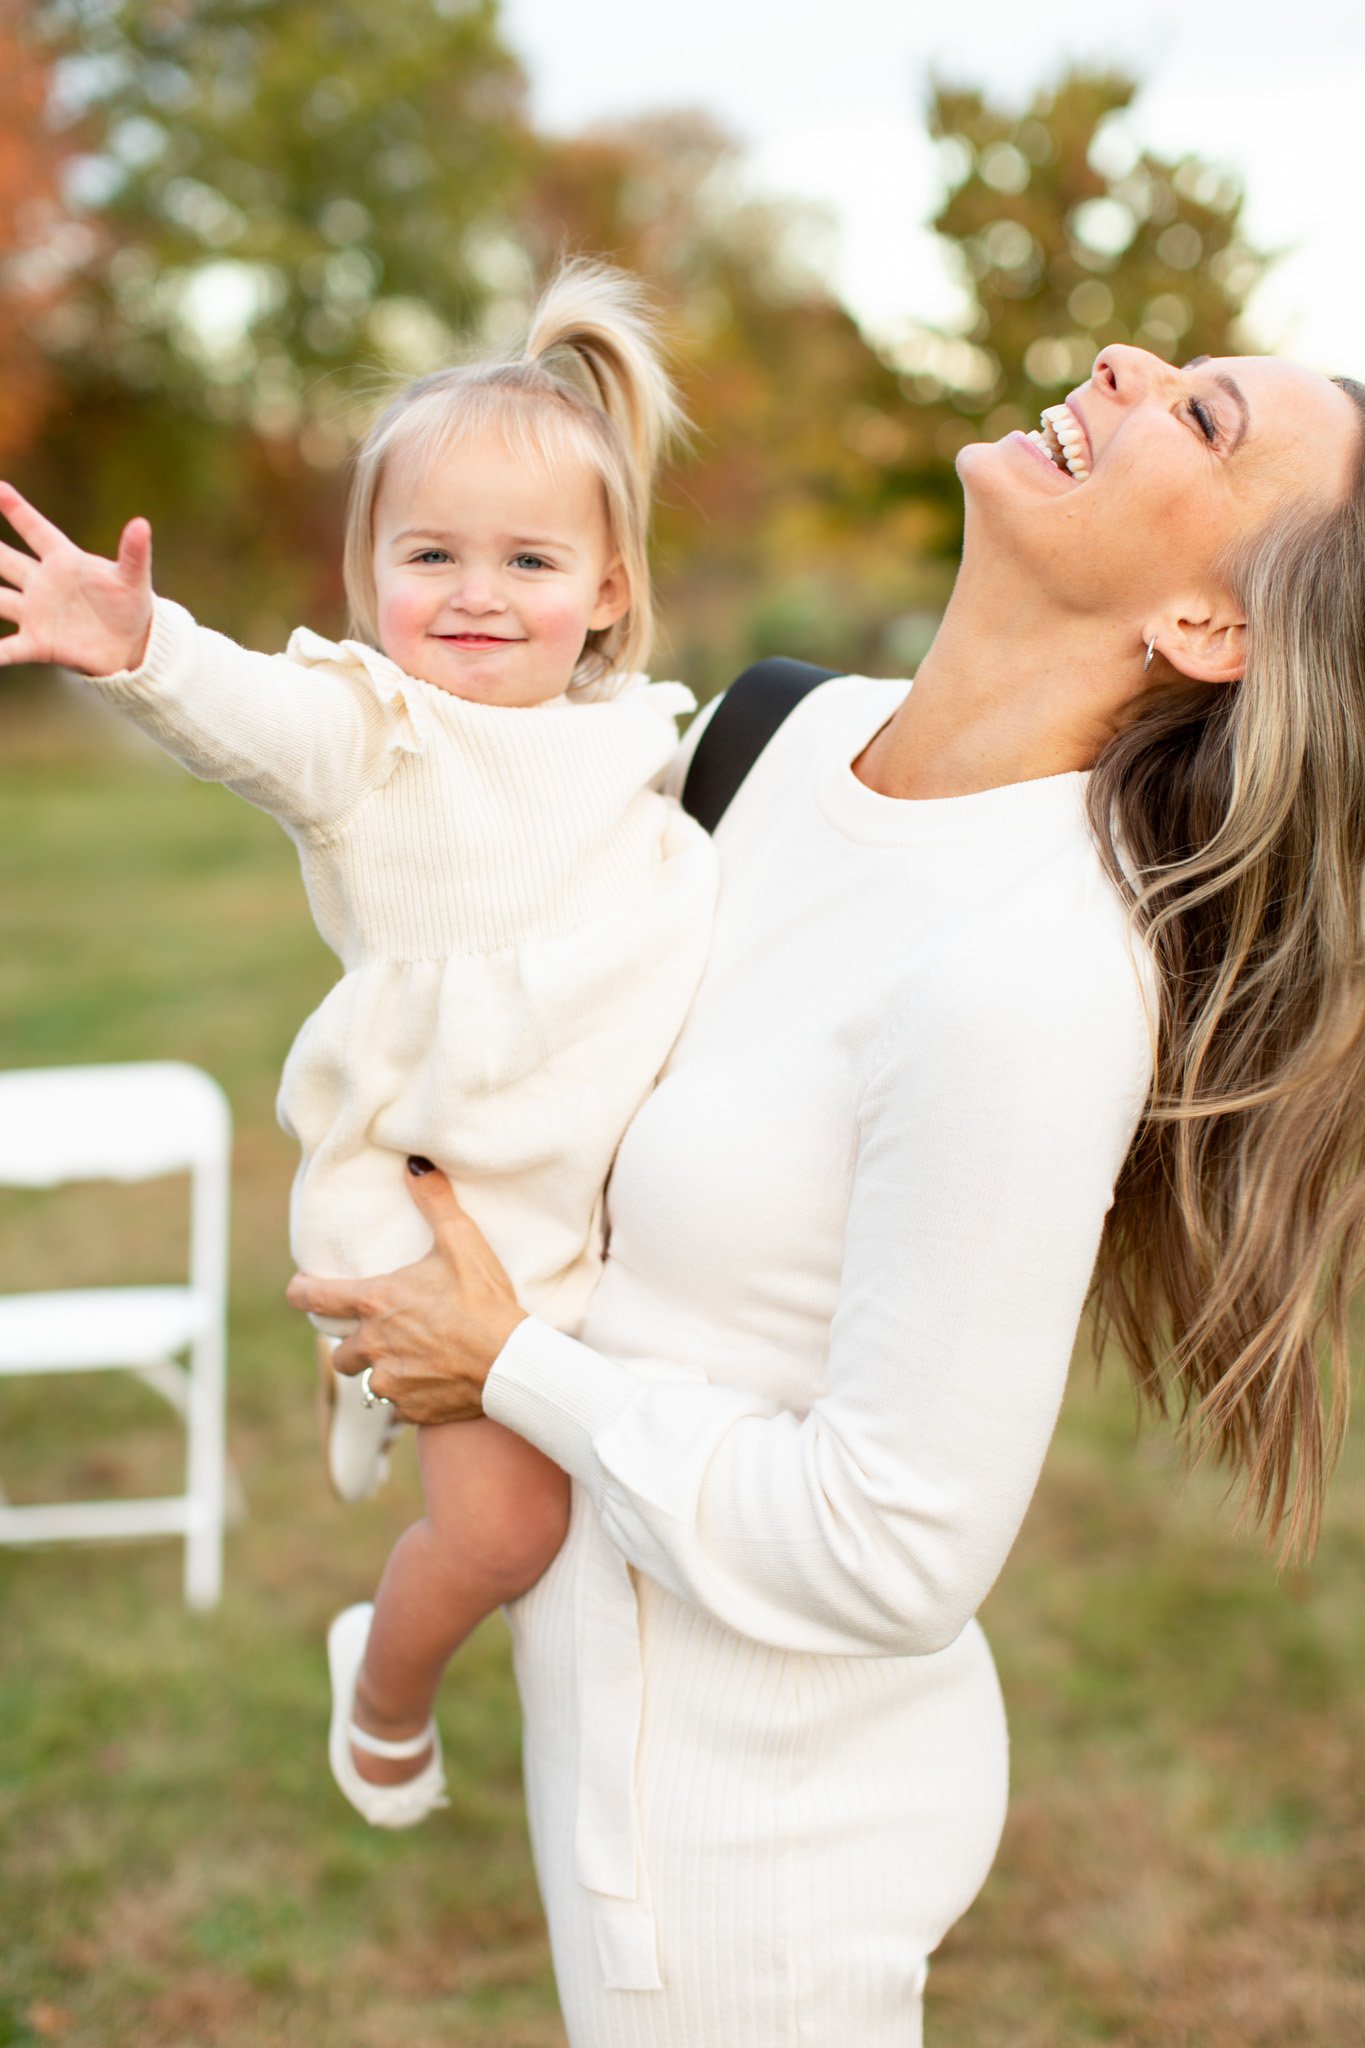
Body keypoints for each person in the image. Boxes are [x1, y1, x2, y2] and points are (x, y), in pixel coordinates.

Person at [284, 346, 1365, 2045]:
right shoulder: (773, 735)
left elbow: (895, 1551)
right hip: (601, 1740)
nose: (1125, 366)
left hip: (756, 1848)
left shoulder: (1034, 968)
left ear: (1207, 627)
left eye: (1203, 417)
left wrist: (509, 1368)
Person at [0, 264, 716, 1832]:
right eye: (430, 554)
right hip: (441, 1203)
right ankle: (381, 1689)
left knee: (635, 1504)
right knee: (508, 1532)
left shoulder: (638, 735)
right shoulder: (372, 734)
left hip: (595, 1187)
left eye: (528, 559)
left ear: (606, 589)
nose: (475, 592)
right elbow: (251, 715)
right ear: (370, 573)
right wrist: (140, 647)